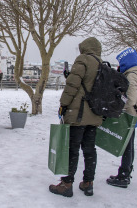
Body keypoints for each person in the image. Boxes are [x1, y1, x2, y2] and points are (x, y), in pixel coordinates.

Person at [49, 37, 103, 197]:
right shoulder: (101, 63)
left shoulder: (83, 60)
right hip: (95, 115)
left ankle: (66, 184)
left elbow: (72, 86)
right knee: (89, 150)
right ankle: (88, 183)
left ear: (85, 48)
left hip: (78, 115)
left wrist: (63, 104)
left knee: (71, 150)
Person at [106, 48, 137, 188]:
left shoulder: (131, 76)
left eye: (121, 62)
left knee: (127, 146)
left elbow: (131, 100)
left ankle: (123, 176)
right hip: (132, 115)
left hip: (129, 115)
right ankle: (125, 173)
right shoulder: (135, 73)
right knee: (129, 145)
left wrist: (118, 106)